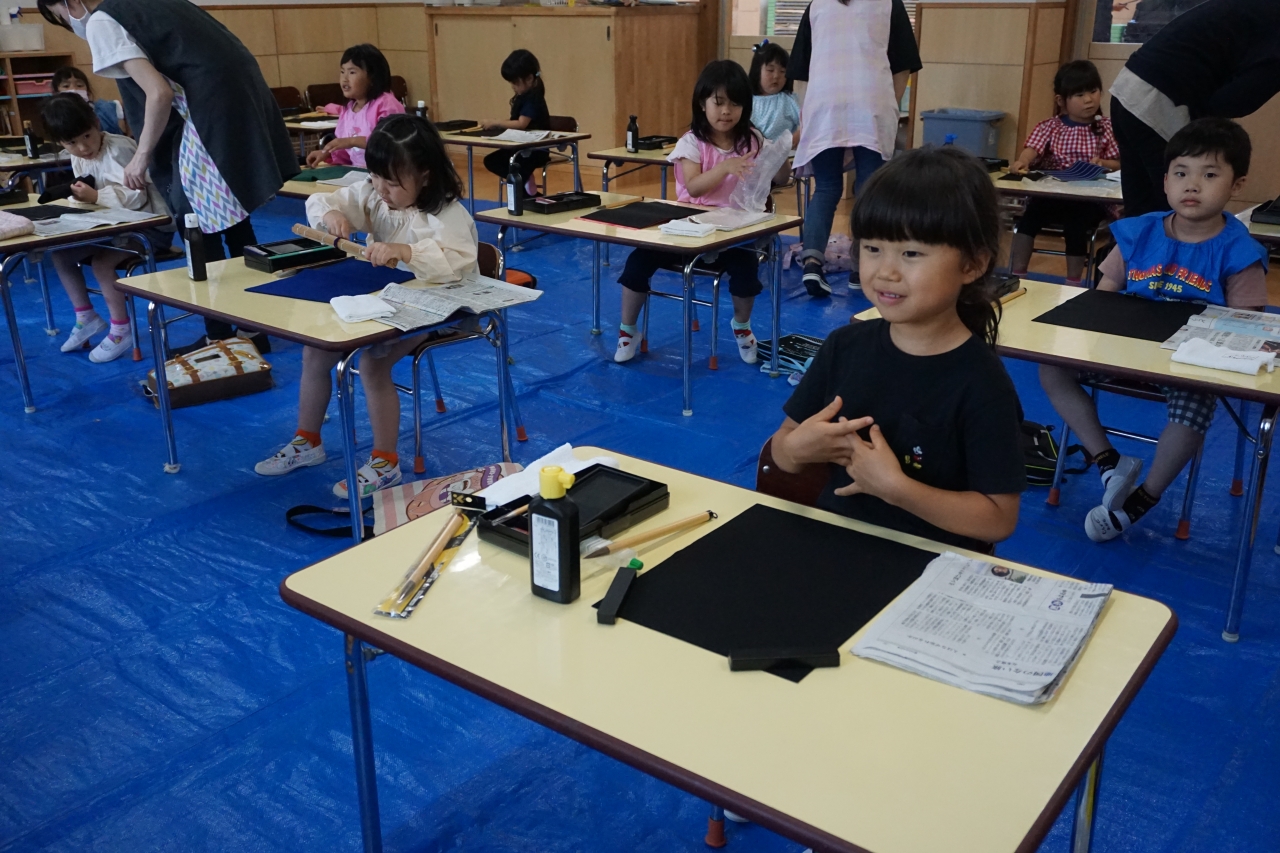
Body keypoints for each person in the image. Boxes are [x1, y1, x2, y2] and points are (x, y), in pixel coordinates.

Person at [769, 146, 1025, 551]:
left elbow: (997, 519)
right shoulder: (844, 347)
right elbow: (782, 450)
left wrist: (896, 488)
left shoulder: (981, 383)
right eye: (872, 248)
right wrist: (797, 448)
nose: (886, 272)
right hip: (837, 550)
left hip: (931, 568)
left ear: (972, 264)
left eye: (911, 253)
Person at [1039, 118, 1268, 542]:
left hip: (1184, 367)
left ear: (1237, 185)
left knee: (1193, 410)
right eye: (1180, 173)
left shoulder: (1240, 253)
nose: (1192, 185)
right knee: (1052, 368)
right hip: (1123, 354)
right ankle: (1109, 463)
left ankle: (1144, 497)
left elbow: (1247, 329)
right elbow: (1100, 302)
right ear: (1165, 182)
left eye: (1210, 175)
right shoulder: (1138, 232)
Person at [37, 0, 299, 352]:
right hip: (235, 94)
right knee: (234, 220)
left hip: (207, 106)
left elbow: (158, 92)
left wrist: (141, 157)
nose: (71, 25)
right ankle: (253, 330)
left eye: (62, 18)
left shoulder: (102, 20)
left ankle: (220, 337)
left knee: (197, 227)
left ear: (68, 3)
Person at [256, 115, 478, 500]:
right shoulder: (375, 193)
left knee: (373, 363)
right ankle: (308, 440)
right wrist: (332, 215)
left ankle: (385, 462)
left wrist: (404, 251)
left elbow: (456, 263)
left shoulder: (447, 213)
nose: (382, 190)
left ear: (425, 176)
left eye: (393, 182)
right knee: (316, 350)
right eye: (375, 177)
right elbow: (327, 200)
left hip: (441, 302)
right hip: (387, 295)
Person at [613, 60, 764, 367]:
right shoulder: (691, 142)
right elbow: (694, 187)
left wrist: (781, 156)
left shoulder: (752, 139)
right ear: (702, 103)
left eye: (735, 104)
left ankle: (742, 326)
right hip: (688, 230)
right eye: (719, 103)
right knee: (637, 262)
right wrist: (725, 167)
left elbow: (778, 176)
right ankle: (628, 330)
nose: (726, 111)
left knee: (747, 268)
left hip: (731, 233)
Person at [789, 0, 920, 298]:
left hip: (823, 106)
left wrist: (809, 115)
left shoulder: (816, 5)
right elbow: (902, 68)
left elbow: (801, 74)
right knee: (869, 190)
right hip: (871, 104)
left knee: (826, 188)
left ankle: (812, 264)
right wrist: (889, 107)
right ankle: (861, 270)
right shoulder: (889, 4)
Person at [1108, 0, 1280, 217]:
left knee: (1141, 211)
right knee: (1179, 214)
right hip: (1163, 103)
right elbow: (1231, 102)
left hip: (1128, 87)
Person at [40, 92, 172, 363]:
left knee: (102, 264)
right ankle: (86, 317)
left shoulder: (119, 149)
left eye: (87, 136)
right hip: (114, 226)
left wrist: (96, 197)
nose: (82, 147)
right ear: (61, 143)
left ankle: (121, 331)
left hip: (151, 227)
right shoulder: (78, 155)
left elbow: (137, 197)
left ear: (97, 123)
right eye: (71, 142)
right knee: (61, 255)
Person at [1008, 60, 1120, 286]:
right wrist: (1022, 161)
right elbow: (1033, 148)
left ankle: (1073, 282)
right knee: (1027, 221)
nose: (1089, 99)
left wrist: (1103, 163)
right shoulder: (1050, 126)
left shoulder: (1107, 127)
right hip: (1053, 194)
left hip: (1089, 199)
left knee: (1076, 225)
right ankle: (1017, 274)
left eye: (1093, 91)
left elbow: (1118, 163)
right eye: (1079, 95)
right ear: (1061, 101)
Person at [305, 44, 404, 170]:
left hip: (386, 174)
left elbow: (390, 143)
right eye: (342, 72)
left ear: (372, 77)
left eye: (352, 72)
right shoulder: (348, 109)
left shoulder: (387, 104)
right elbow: (346, 153)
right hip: (357, 173)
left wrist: (351, 141)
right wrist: (326, 154)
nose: (344, 79)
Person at [481, 49, 551, 199]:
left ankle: (527, 190)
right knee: (492, 161)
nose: (513, 86)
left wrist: (497, 122)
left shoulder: (534, 98)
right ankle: (529, 190)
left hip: (536, 150)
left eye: (515, 82)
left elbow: (521, 124)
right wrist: (497, 124)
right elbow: (516, 120)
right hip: (521, 147)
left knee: (516, 168)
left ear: (530, 79)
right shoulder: (522, 96)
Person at [750, 41, 800, 146]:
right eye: (770, 70)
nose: (776, 76)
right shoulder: (746, 100)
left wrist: (795, 137)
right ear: (757, 71)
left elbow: (808, 123)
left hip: (784, 154)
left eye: (782, 71)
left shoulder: (789, 100)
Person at [50, 66, 124, 136]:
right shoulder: (56, 117)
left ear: (87, 91)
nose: (74, 89)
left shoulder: (103, 110)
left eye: (79, 85)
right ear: (56, 93)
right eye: (66, 86)